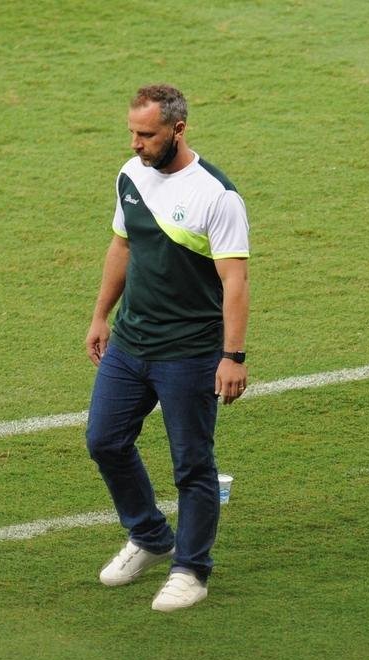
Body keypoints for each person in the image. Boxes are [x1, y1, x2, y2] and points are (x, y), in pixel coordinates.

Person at [84, 84, 251, 612]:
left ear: (178, 130)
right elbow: (123, 244)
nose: (135, 143)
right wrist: (100, 315)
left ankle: (192, 569)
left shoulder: (216, 195)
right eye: (132, 132)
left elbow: (236, 282)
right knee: (104, 440)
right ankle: (151, 538)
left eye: (146, 134)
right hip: (132, 342)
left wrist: (233, 356)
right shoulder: (130, 175)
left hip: (189, 353)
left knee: (192, 464)